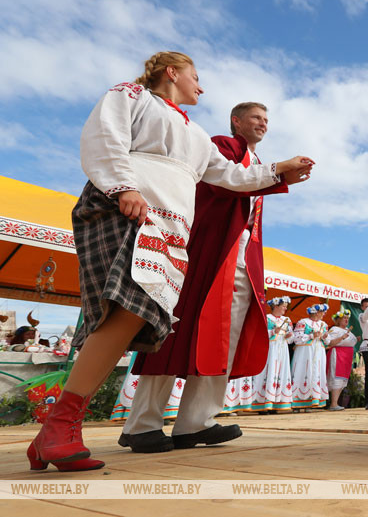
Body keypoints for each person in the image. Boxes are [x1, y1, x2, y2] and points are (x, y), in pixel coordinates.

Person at [26, 51, 313, 473]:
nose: (202, 86)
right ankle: (60, 427)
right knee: (120, 313)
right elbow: (104, 136)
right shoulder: (132, 96)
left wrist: (279, 170)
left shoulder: (197, 135)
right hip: (128, 207)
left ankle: (56, 430)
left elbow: (233, 178)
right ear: (172, 72)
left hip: (171, 229)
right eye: (196, 76)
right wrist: (123, 186)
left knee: (132, 319)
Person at [119, 100, 310, 453]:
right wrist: (279, 170)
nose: (263, 124)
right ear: (236, 121)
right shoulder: (222, 146)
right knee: (174, 333)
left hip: (240, 257)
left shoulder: (254, 159)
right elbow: (227, 184)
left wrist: (278, 173)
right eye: (256, 117)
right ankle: (142, 424)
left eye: (266, 119)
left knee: (224, 338)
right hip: (209, 252)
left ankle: (196, 422)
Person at [250, 297, 294, 412]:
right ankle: (264, 404)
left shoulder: (287, 320)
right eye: (283, 306)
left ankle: (276, 403)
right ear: (275, 306)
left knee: (280, 372)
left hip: (282, 349)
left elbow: (291, 338)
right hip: (271, 349)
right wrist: (273, 332)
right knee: (269, 371)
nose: (285, 308)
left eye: (286, 306)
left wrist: (289, 336)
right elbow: (259, 334)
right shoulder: (267, 318)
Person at [290, 304, 330, 409]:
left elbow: (328, 341)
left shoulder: (323, 324)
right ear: (316, 313)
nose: (324, 314)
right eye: (322, 312)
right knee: (303, 371)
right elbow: (296, 339)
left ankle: (313, 400)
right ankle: (298, 402)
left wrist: (325, 337)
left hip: (319, 353)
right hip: (305, 353)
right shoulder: (303, 322)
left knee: (316, 373)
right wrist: (312, 336)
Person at [325, 310, 358, 411]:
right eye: (344, 318)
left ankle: (335, 403)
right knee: (336, 378)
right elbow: (330, 343)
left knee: (342, 380)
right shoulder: (334, 329)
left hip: (346, 357)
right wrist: (341, 338)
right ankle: (333, 404)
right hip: (338, 355)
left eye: (347, 318)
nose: (346, 320)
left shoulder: (348, 330)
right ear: (338, 320)